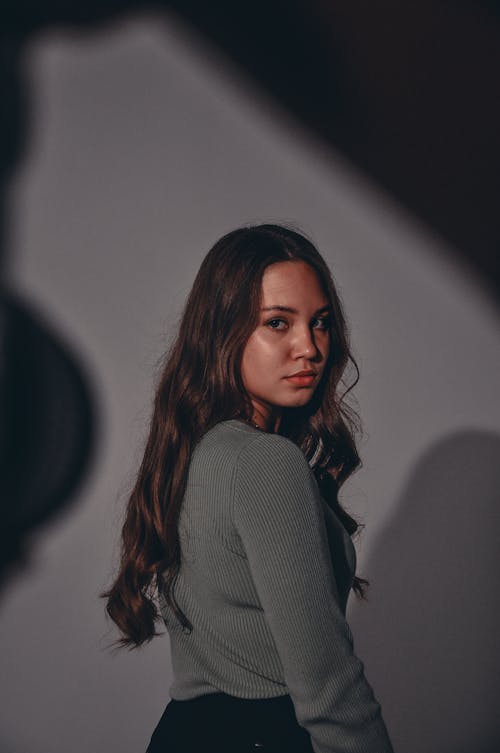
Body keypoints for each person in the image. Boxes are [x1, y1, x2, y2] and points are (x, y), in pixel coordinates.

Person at [103, 223, 395, 753]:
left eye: (320, 323)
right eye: (278, 323)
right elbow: (327, 683)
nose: (309, 347)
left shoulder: (193, 454)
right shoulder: (266, 462)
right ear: (223, 332)